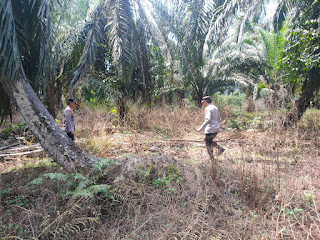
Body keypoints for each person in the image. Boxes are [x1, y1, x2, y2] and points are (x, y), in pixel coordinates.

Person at [197, 96, 225, 161]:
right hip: (216, 128)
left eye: (203, 102)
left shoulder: (208, 108)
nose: (203, 104)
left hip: (210, 129)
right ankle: (220, 149)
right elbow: (218, 117)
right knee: (209, 141)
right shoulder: (215, 107)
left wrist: (201, 128)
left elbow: (208, 119)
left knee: (208, 144)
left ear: (205, 102)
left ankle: (212, 159)